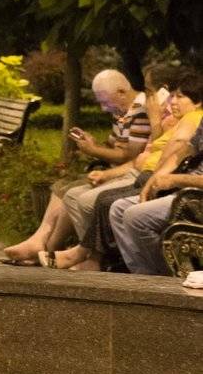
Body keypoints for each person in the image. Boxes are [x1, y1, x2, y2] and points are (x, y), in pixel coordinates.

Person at [48, 74, 203, 269]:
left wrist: (94, 151)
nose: (169, 101)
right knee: (80, 196)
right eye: (171, 95)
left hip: (186, 191)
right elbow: (170, 153)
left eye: (178, 96)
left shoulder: (186, 118)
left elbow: (132, 155)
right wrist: (152, 177)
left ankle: (100, 259)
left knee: (109, 205)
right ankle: (111, 263)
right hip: (158, 178)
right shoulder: (172, 120)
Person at [2, 69, 154, 264]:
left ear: (121, 92)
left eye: (105, 102)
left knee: (73, 193)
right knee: (62, 188)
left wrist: (93, 151)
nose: (103, 108)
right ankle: (42, 243)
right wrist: (93, 144)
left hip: (127, 173)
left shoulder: (139, 111)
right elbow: (114, 146)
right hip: (116, 170)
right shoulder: (122, 111)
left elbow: (129, 155)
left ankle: (53, 249)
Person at [110, 116, 203, 276]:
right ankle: (144, 274)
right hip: (186, 191)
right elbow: (186, 150)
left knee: (136, 217)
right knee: (119, 209)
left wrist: (176, 179)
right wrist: (153, 180)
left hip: (196, 195)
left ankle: (169, 276)